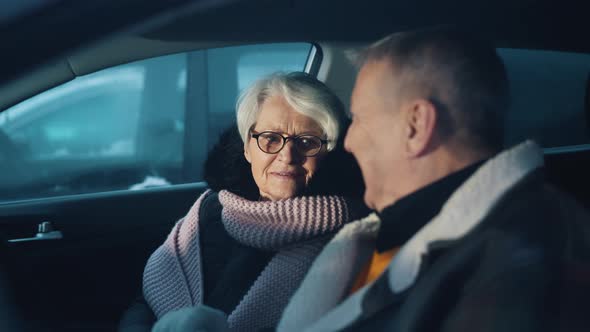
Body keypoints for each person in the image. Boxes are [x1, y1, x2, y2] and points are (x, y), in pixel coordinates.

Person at [277, 26, 590, 331]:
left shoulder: (520, 267)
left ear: (415, 126)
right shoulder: (413, 236)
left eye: (359, 118)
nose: (348, 142)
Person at [119, 72, 367, 332]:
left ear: (329, 151)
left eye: (307, 141)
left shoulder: (349, 238)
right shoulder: (212, 208)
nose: (287, 155)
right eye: (271, 138)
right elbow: (146, 302)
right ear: (248, 147)